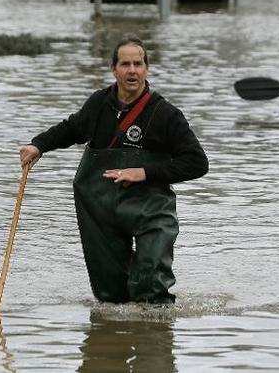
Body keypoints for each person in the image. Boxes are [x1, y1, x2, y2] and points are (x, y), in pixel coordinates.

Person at [19, 35, 208, 304]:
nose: (132, 70)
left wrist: (143, 172)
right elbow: (72, 128)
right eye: (125, 64)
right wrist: (38, 146)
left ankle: (155, 336)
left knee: (151, 285)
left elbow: (197, 162)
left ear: (147, 69)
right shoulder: (99, 103)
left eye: (138, 64)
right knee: (110, 296)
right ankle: (113, 339)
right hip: (101, 208)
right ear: (114, 69)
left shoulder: (166, 114)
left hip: (150, 210)